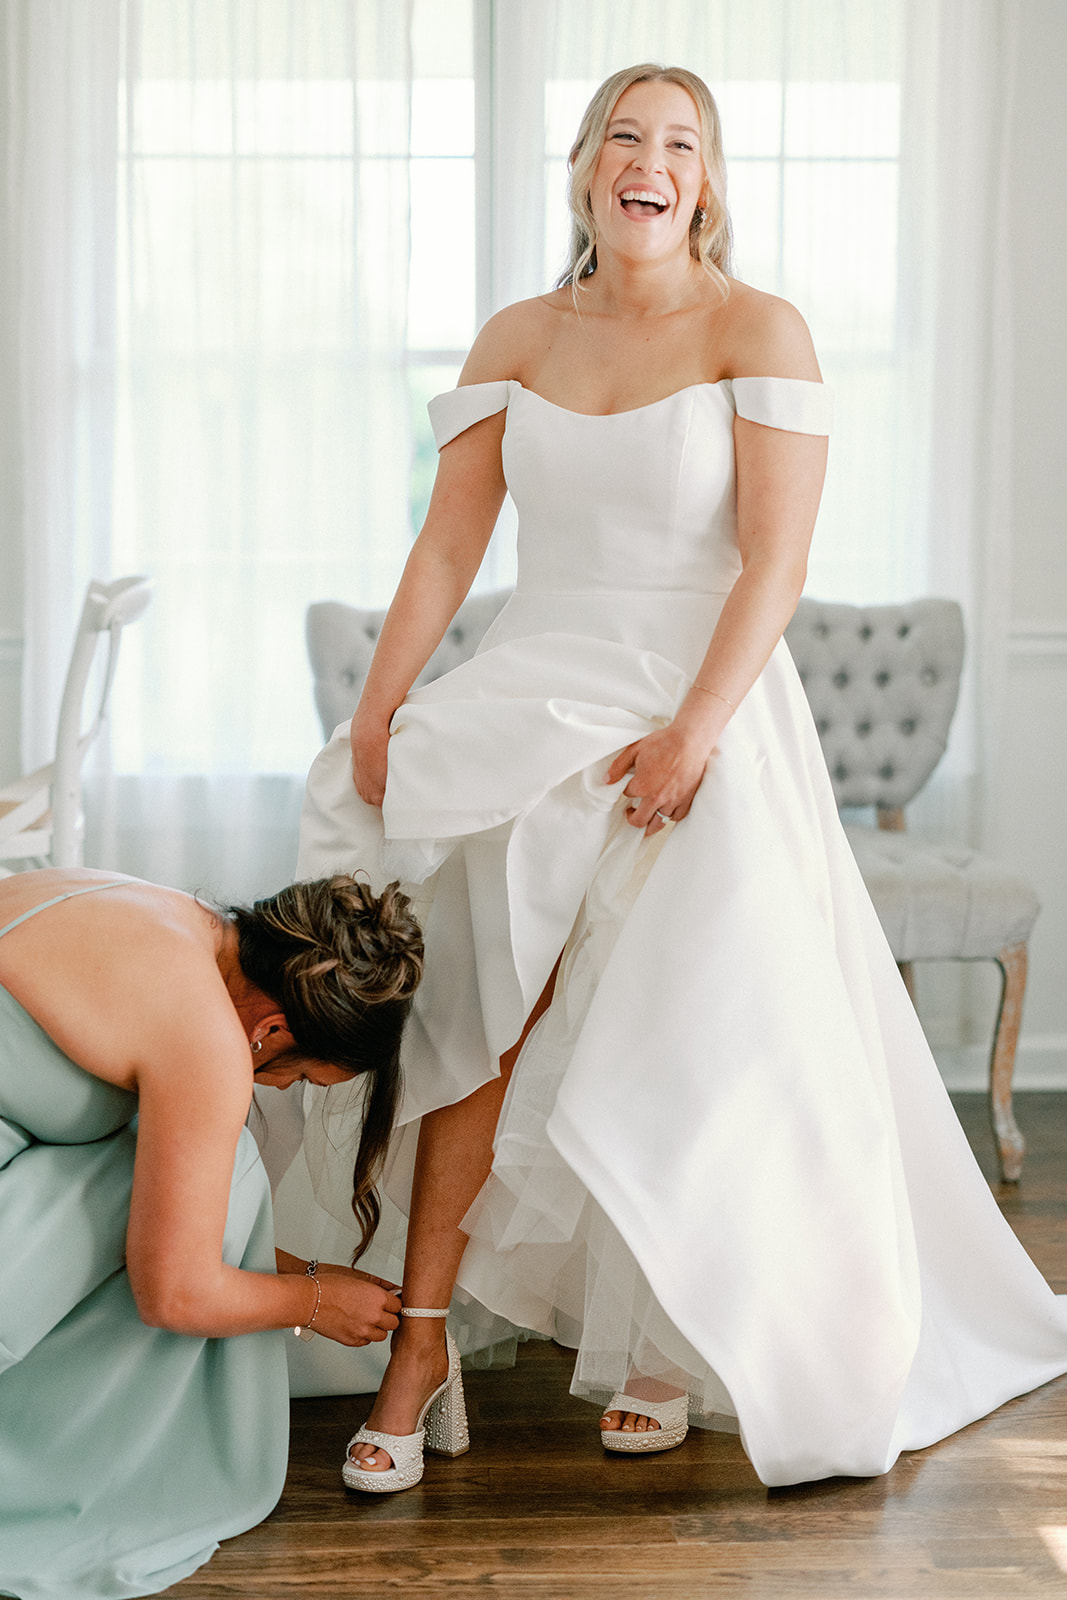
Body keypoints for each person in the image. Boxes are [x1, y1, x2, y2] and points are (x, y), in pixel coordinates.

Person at [295, 63, 1067, 1493]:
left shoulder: (754, 327)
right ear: (586, 168)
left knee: (692, 1025)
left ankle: (665, 1343)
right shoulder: (519, 334)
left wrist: (693, 731)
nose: (649, 162)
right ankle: (418, 1346)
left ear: (704, 183)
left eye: (680, 144)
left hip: (700, 703)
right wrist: (380, 706)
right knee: (475, 1017)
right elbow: (447, 552)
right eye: (623, 138)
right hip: (536, 691)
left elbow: (773, 563)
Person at [0, 866, 421, 1600]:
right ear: (273, 1029)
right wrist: (313, 1304)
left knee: (179, 1164)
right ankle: (64, 1471)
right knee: (234, 1168)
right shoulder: (206, 1041)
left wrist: (300, 1270)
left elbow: (167, 1213)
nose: (278, 1087)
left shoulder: (157, 909)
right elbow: (176, 1294)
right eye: (302, 1079)